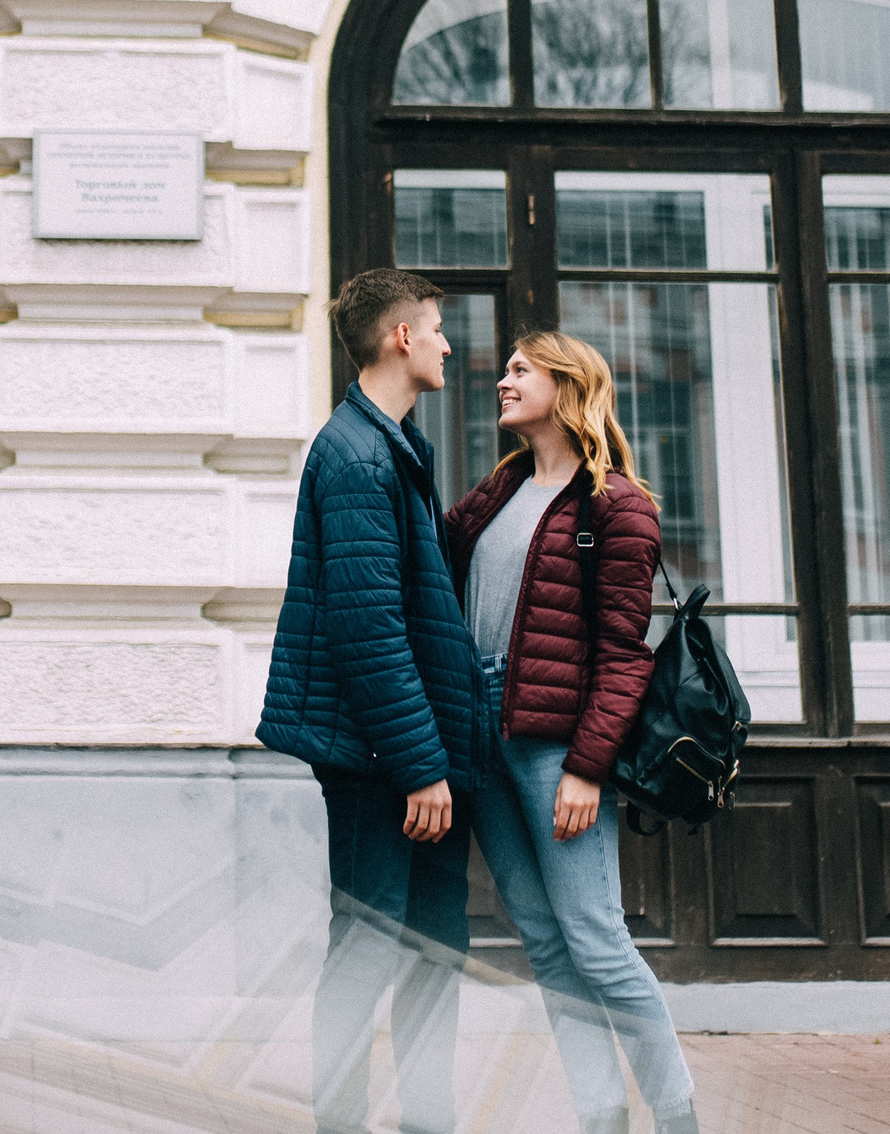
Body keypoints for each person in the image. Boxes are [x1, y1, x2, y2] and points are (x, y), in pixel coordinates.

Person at [444, 331, 700, 1134]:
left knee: (596, 940)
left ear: (568, 383)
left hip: (555, 743)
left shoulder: (617, 504)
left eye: (521, 370)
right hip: (483, 730)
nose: (502, 380)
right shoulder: (500, 487)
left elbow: (624, 656)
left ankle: (677, 1115)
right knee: (547, 948)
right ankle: (599, 1114)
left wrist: (587, 768)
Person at [257, 268, 489, 1134]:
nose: (446, 343)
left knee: (435, 953)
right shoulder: (355, 454)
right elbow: (368, 629)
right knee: (364, 950)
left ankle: (428, 1121)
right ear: (399, 337)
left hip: (411, 754)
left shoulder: (390, 443)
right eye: (434, 328)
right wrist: (421, 765)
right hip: (380, 763)